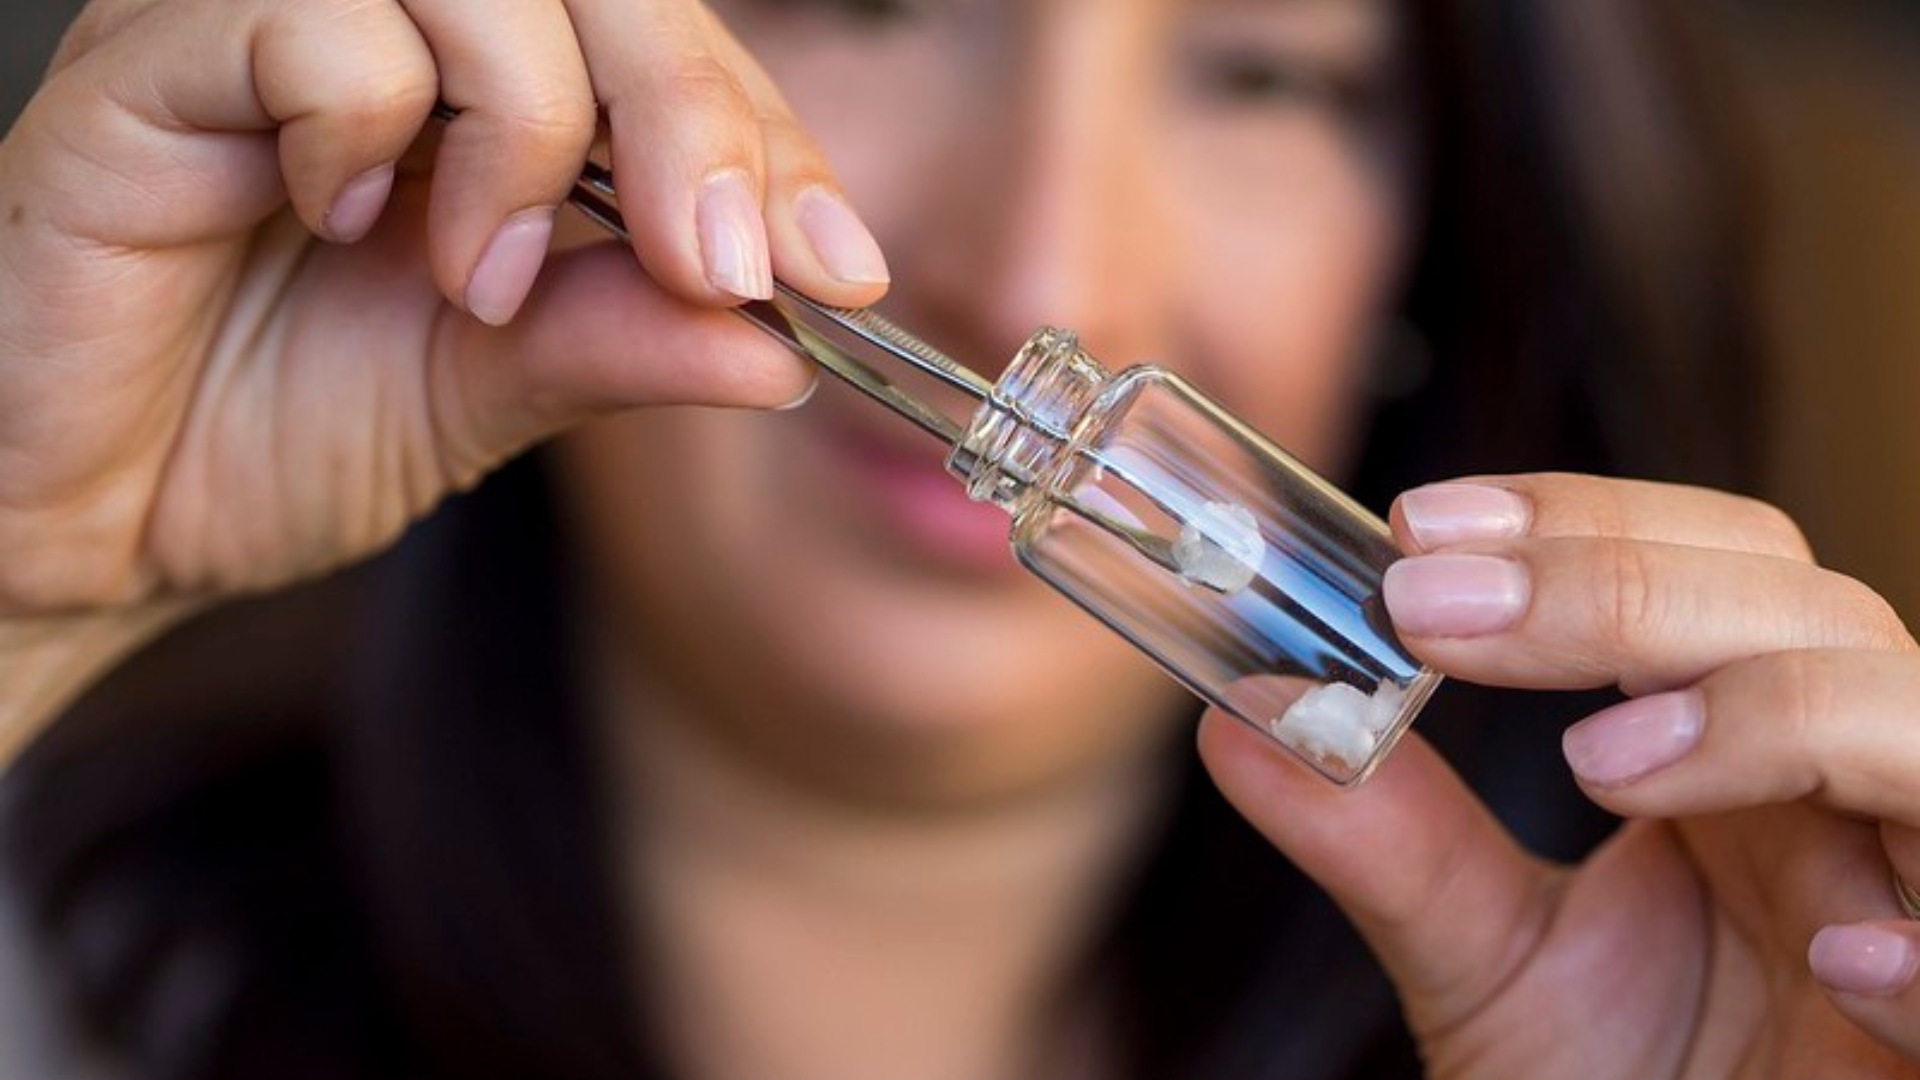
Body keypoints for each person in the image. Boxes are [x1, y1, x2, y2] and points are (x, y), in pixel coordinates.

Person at [1, 0, 1916, 1077]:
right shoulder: (62, 990)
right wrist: (24, 582)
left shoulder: (1699, 1024)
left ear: (1442, 247)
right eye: (874, 4)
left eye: (1262, 73)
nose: (1040, 276)